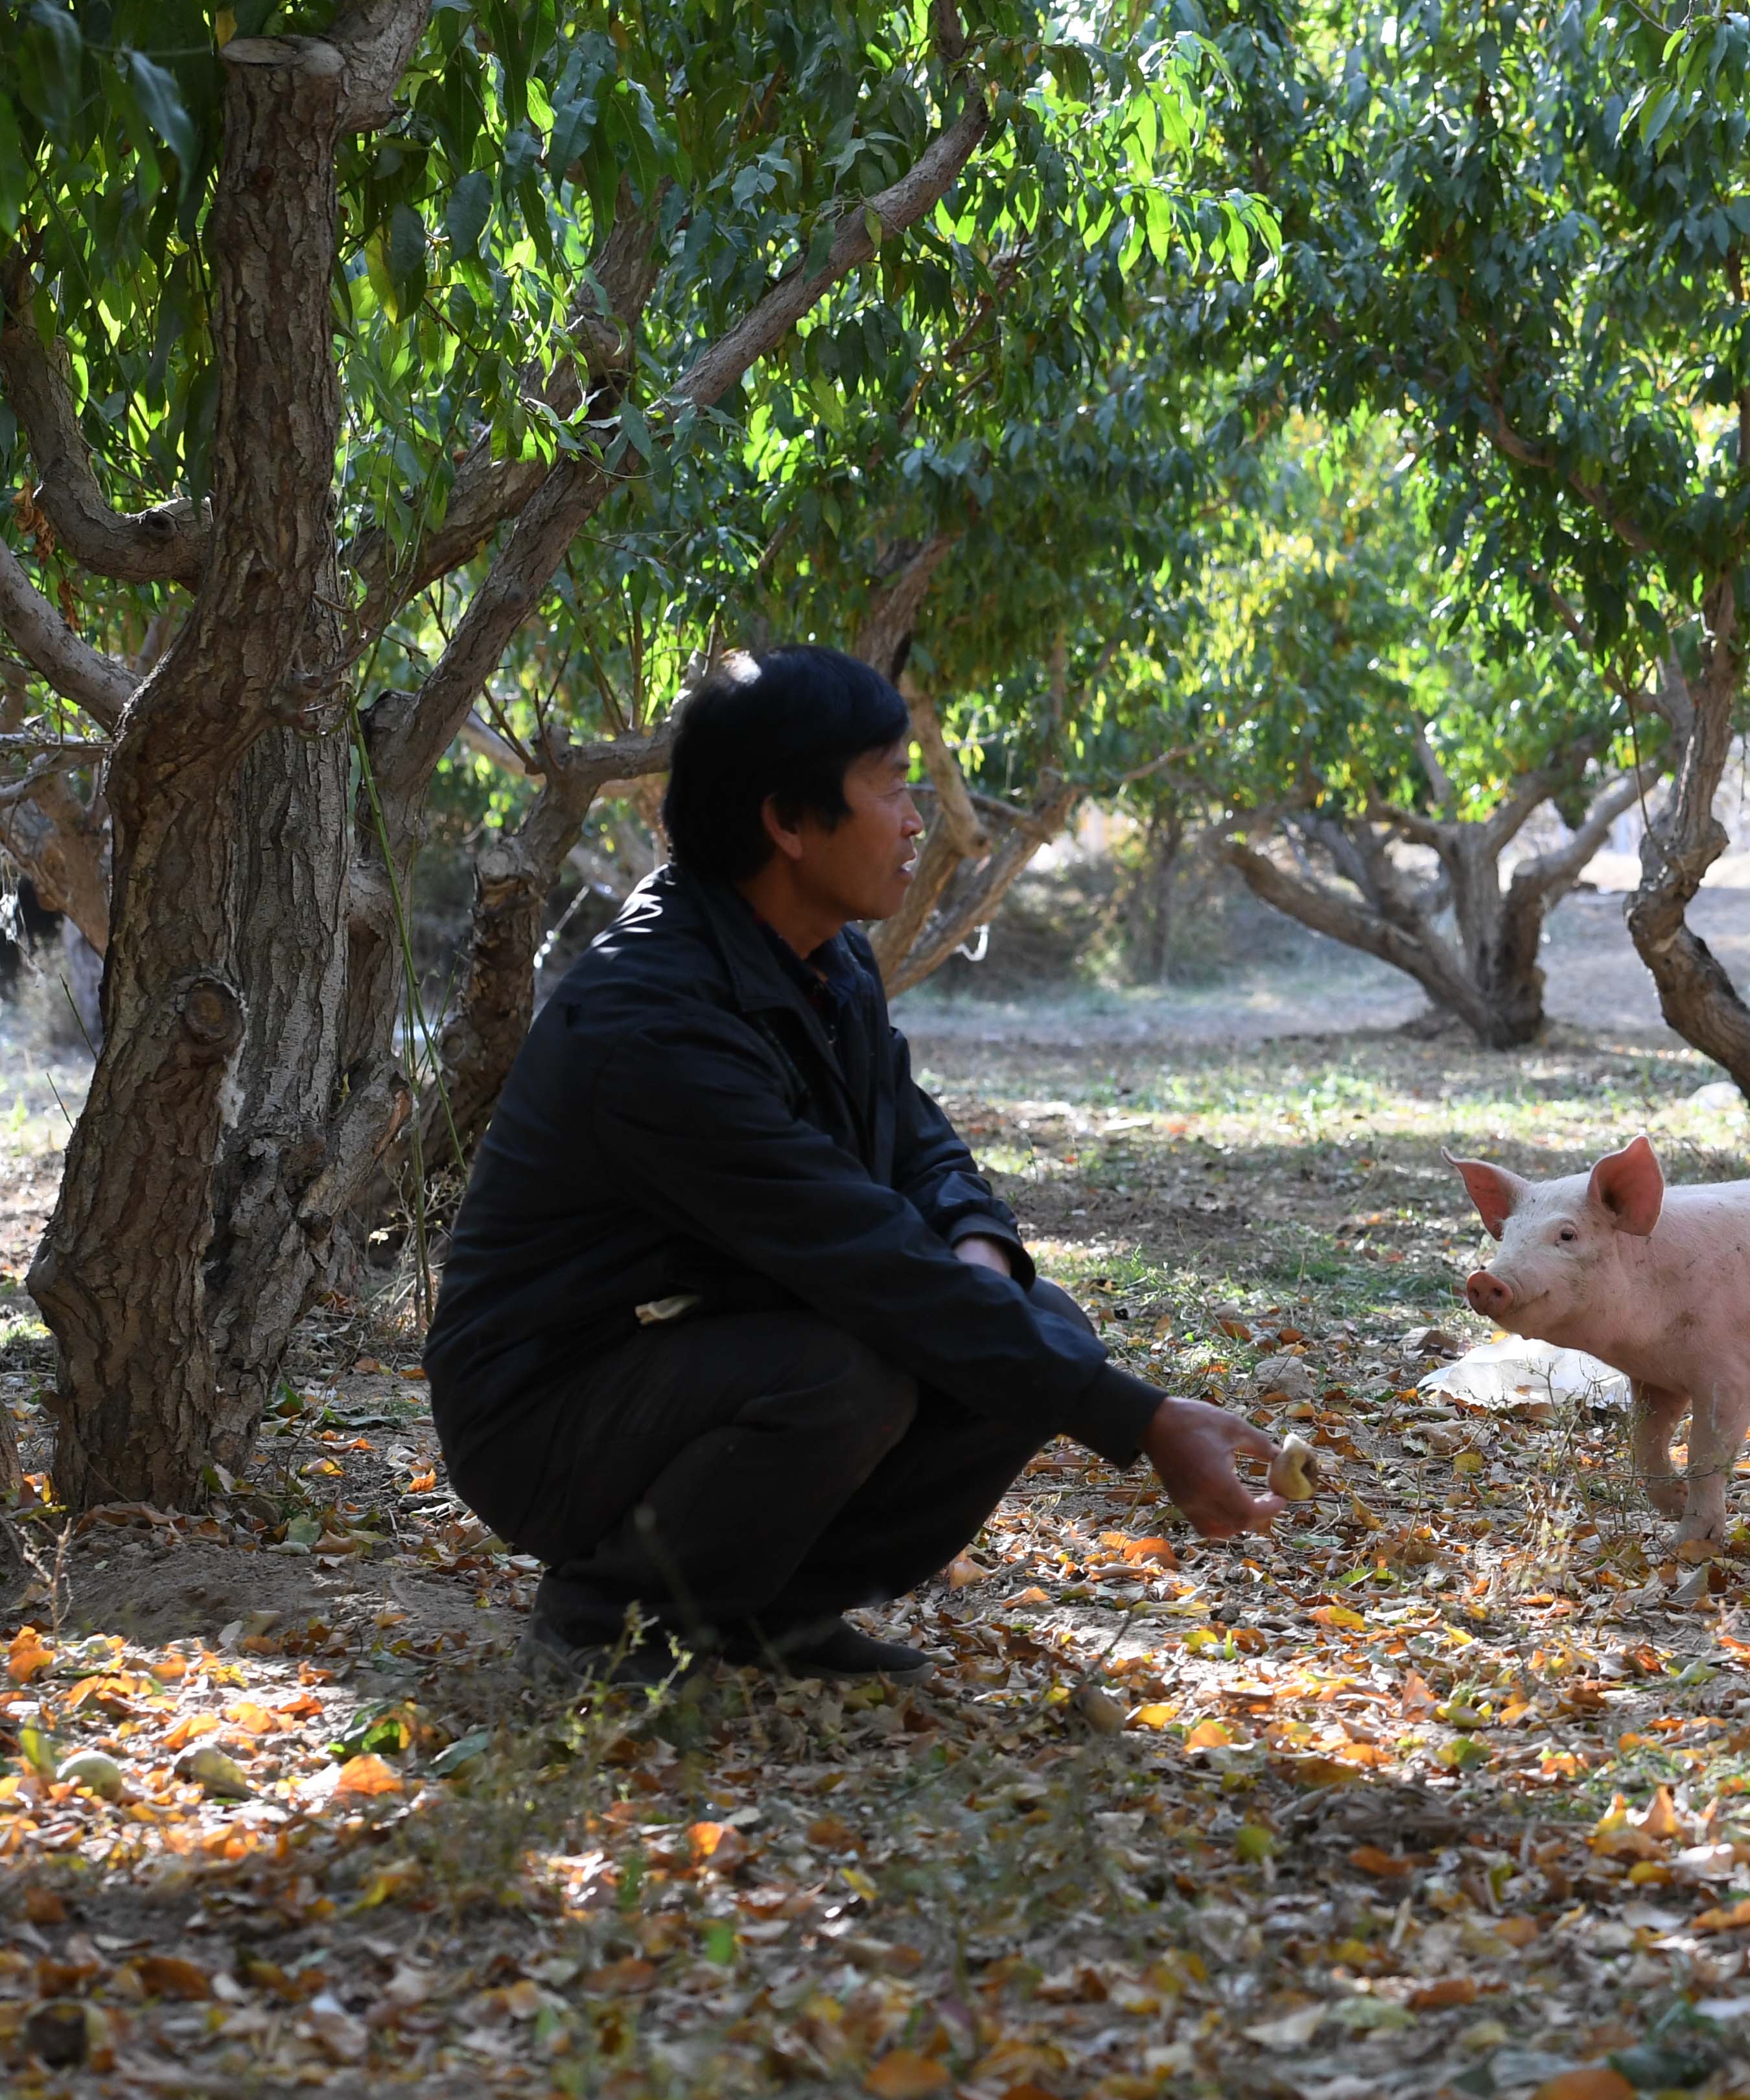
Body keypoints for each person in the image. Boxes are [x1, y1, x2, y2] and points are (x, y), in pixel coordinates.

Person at [428, 646, 1279, 1683]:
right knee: (852, 1369)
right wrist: (1139, 1420)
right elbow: (857, 1255)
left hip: (688, 1359)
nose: (916, 819)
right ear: (787, 823)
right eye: (888, 787)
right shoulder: (652, 1021)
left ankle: (772, 1617)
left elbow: (913, 1137)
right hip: (543, 1417)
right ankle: (606, 1622)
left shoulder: (820, 954)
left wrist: (978, 1248)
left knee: (1032, 1324)